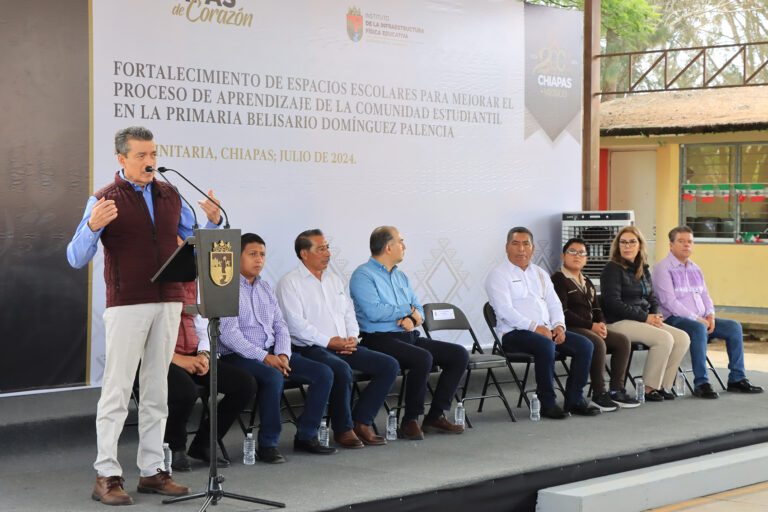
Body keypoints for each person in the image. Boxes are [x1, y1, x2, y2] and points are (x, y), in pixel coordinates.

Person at [67, 126, 222, 505]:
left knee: (157, 391)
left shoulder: (171, 194)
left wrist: (213, 223)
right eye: (140, 155)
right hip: (128, 303)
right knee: (117, 392)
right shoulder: (104, 198)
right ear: (121, 159)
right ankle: (107, 474)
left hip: (169, 300)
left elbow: (194, 238)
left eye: (153, 153)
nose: (150, 161)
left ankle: (153, 471)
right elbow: (75, 257)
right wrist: (92, 226)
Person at [276, 229, 399, 448]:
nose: (327, 253)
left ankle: (362, 421)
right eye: (320, 248)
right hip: (311, 348)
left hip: (343, 344)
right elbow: (296, 325)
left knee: (389, 365)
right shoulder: (289, 282)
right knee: (340, 369)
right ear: (304, 253)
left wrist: (352, 337)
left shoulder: (334, 279)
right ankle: (343, 429)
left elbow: (348, 312)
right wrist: (329, 341)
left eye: (327, 247)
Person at [219, 233, 336, 462]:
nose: (259, 260)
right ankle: (268, 443)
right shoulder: (227, 288)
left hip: (273, 352)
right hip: (238, 355)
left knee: (324, 373)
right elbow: (229, 335)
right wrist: (265, 357)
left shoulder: (265, 287)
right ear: (236, 257)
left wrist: (282, 353)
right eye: (252, 254)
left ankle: (306, 434)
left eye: (262, 254)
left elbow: (280, 325)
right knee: (273, 377)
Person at [349, 226, 469, 439]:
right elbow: (374, 312)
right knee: (422, 358)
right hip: (379, 338)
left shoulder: (401, 276)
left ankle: (435, 416)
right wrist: (408, 311)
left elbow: (419, 310)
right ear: (388, 247)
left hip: (408, 336)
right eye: (400, 241)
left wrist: (412, 317)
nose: (404, 246)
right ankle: (411, 419)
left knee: (459, 354)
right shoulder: (363, 275)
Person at [485, 227, 599, 419]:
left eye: (525, 244)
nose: (521, 248)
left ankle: (575, 399)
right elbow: (505, 312)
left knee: (585, 345)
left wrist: (559, 326)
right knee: (545, 344)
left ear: (532, 248)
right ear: (506, 248)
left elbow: (554, 303)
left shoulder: (540, 273)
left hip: (545, 330)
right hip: (513, 334)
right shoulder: (498, 275)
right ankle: (548, 403)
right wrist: (535, 327)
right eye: (515, 243)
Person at [652, 226, 763, 398]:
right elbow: (670, 302)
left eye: (689, 241)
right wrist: (697, 319)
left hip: (702, 321)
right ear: (671, 245)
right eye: (681, 241)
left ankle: (737, 379)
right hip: (674, 321)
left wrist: (710, 315)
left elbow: (705, 295)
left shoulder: (695, 268)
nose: (686, 245)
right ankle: (701, 383)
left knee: (734, 327)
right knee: (698, 328)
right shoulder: (662, 269)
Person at [165, 280, 257, 470]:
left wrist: (204, 355)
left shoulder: (197, 283)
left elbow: (201, 324)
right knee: (185, 392)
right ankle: (175, 448)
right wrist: (179, 359)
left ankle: (204, 443)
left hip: (193, 353)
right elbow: (147, 337)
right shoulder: (155, 283)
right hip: (162, 359)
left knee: (244, 384)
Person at [600, 226, 690, 402]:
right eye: (623, 242)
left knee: (682, 338)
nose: (627, 246)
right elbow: (613, 304)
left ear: (639, 245)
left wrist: (655, 316)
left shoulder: (643, 269)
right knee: (664, 339)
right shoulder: (612, 269)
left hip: (642, 320)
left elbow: (652, 298)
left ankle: (664, 385)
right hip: (619, 322)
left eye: (632, 242)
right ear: (617, 246)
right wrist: (645, 317)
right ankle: (649, 388)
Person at [551, 238, 639, 411]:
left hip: (590, 328)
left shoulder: (587, 281)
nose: (577, 256)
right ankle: (599, 394)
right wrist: (591, 327)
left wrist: (602, 324)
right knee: (596, 341)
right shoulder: (558, 279)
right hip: (569, 328)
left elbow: (597, 308)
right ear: (563, 256)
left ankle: (617, 390)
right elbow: (563, 312)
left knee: (622, 340)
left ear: (587, 259)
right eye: (572, 252)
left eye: (582, 253)